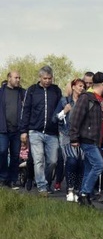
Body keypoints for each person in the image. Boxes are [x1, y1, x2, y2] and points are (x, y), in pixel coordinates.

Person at [20, 65, 63, 196]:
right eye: (45, 78)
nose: (47, 81)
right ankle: (42, 187)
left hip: (52, 132)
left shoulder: (56, 91)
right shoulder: (32, 90)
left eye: (50, 78)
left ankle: (47, 182)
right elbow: (26, 110)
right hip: (35, 131)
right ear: (40, 77)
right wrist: (23, 131)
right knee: (38, 160)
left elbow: (59, 111)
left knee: (52, 161)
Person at [68, 72, 103, 207]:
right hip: (87, 138)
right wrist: (74, 137)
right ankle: (85, 193)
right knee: (99, 165)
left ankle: (83, 197)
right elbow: (75, 118)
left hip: (98, 140)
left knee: (89, 167)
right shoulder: (87, 98)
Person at [55, 79, 85, 201]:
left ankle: (78, 189)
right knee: (71, 161)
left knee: (81, 162)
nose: (82, 88)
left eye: (83, 86)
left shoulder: (85, 101)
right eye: (79, 86)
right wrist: (64, 111)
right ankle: (70, 189)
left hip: (82, 136)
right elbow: (55, 118)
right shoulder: (65, 100)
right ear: (73, 87)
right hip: (66, 135)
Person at [0, 71, 25, 189]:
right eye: (16, 77)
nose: (18, 80)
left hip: (17, 130)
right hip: (3, 129)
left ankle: (12, 179)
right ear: (9, 78)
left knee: (15, 155)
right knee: (2, 151)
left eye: (19, 78)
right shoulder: (1, 92)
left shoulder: (22, 93)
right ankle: (3, 177)